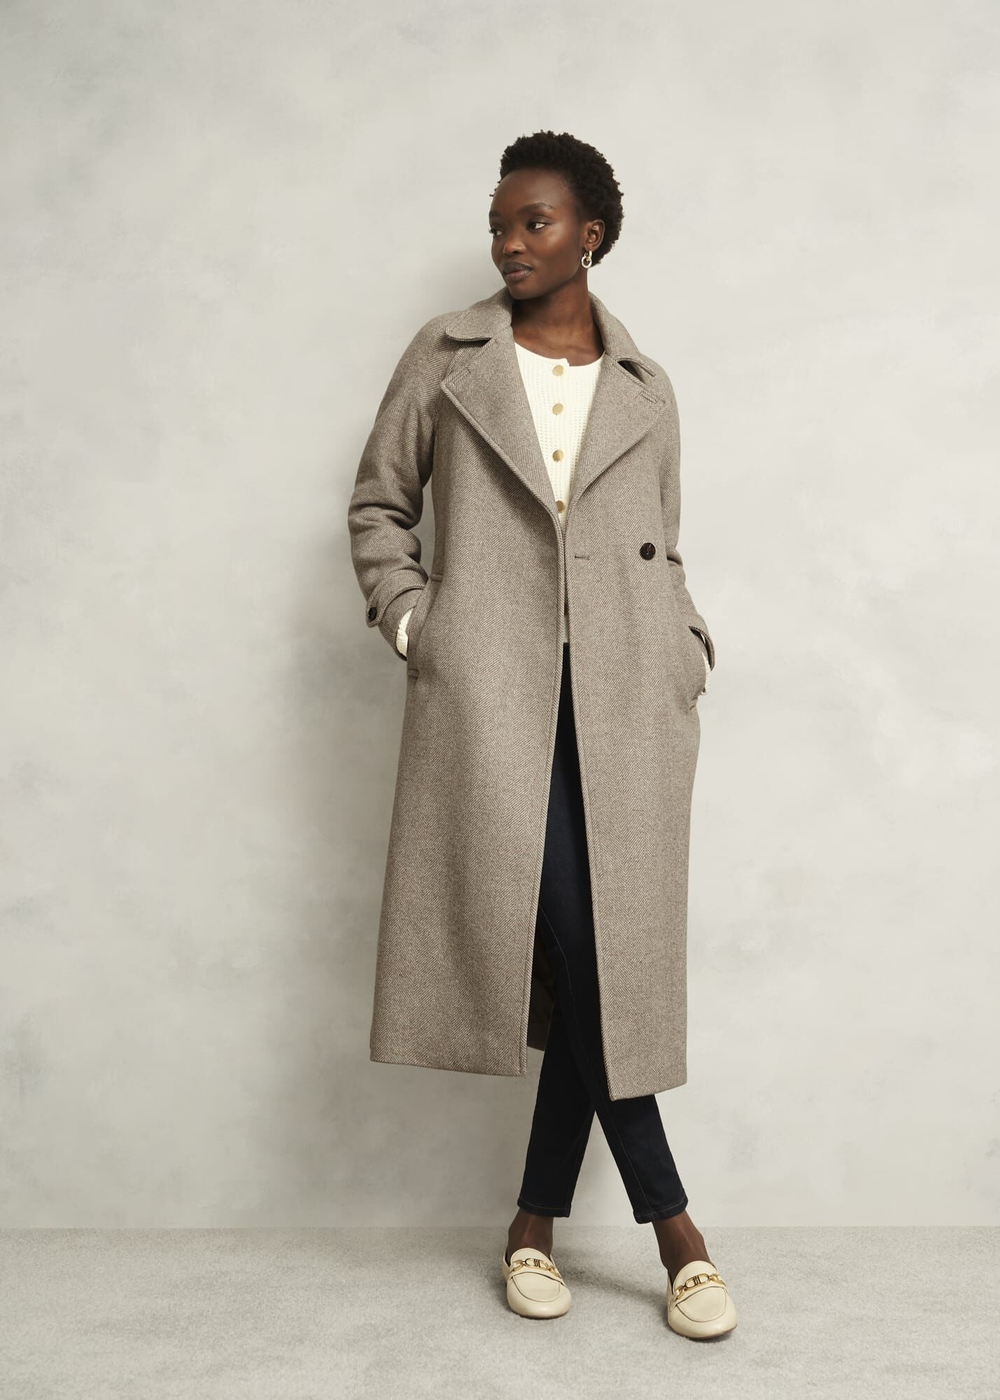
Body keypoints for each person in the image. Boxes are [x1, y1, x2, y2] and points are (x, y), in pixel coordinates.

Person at [348, 130, 737, 1339]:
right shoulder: (447, 357)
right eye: (499, 223)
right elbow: (378, 505)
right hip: (491, 700)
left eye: (535, 222)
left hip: (626, 707)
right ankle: (677, 1231)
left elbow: (665, 543)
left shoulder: (644, 386)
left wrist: (684, 646)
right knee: (591, 951)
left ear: (590, 235)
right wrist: (419, 624)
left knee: (596, 959)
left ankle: (530, 1223)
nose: (508, 243)